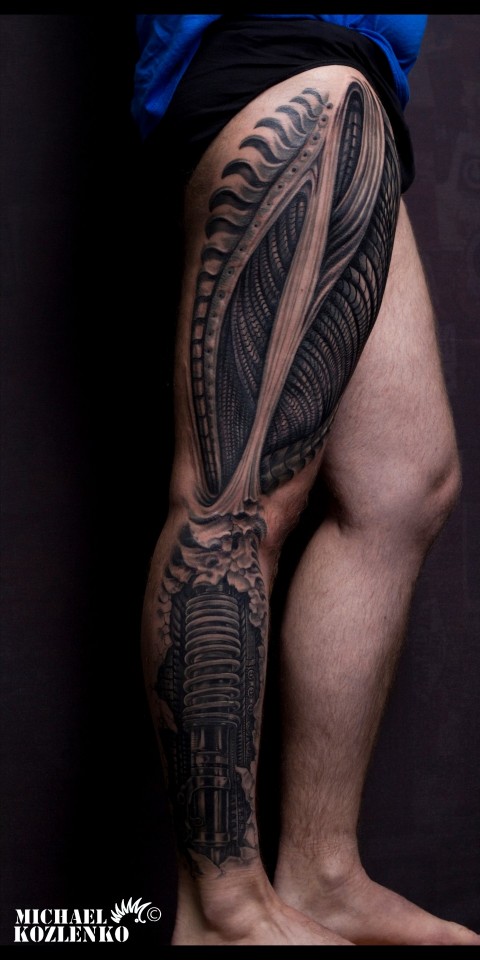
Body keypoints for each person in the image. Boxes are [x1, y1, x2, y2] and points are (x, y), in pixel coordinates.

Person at [132, 15, 480, 945]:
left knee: (403, 485)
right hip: (286, 62)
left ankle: (323, 875)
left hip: (363, 84)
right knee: (233, 498)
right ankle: (221, 910)